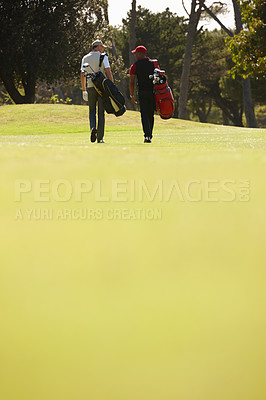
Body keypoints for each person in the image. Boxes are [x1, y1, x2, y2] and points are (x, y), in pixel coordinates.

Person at [81, 39, 114, 143]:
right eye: (102, 47)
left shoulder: (85, 58)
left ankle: (92, 128)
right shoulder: (103, 56)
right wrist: (112, 85)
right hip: (101, 88)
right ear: (98, 47)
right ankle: (100, 138)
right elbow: (108, 71)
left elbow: (83, 74)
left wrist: (84, 89)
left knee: (91, 111)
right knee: (101, 112)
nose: (103, 49)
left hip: (90, 87)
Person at [129, 45, 159, 143]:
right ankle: (149, 135)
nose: (135, 56)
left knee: (144, 114)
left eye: (136, 54)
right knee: (151, 114)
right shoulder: (153, 64)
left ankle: (147, 136)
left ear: (139, 54)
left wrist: (132, 95)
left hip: (142, 92)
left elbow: (132, 81)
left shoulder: (135, 65)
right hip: (153, 92)